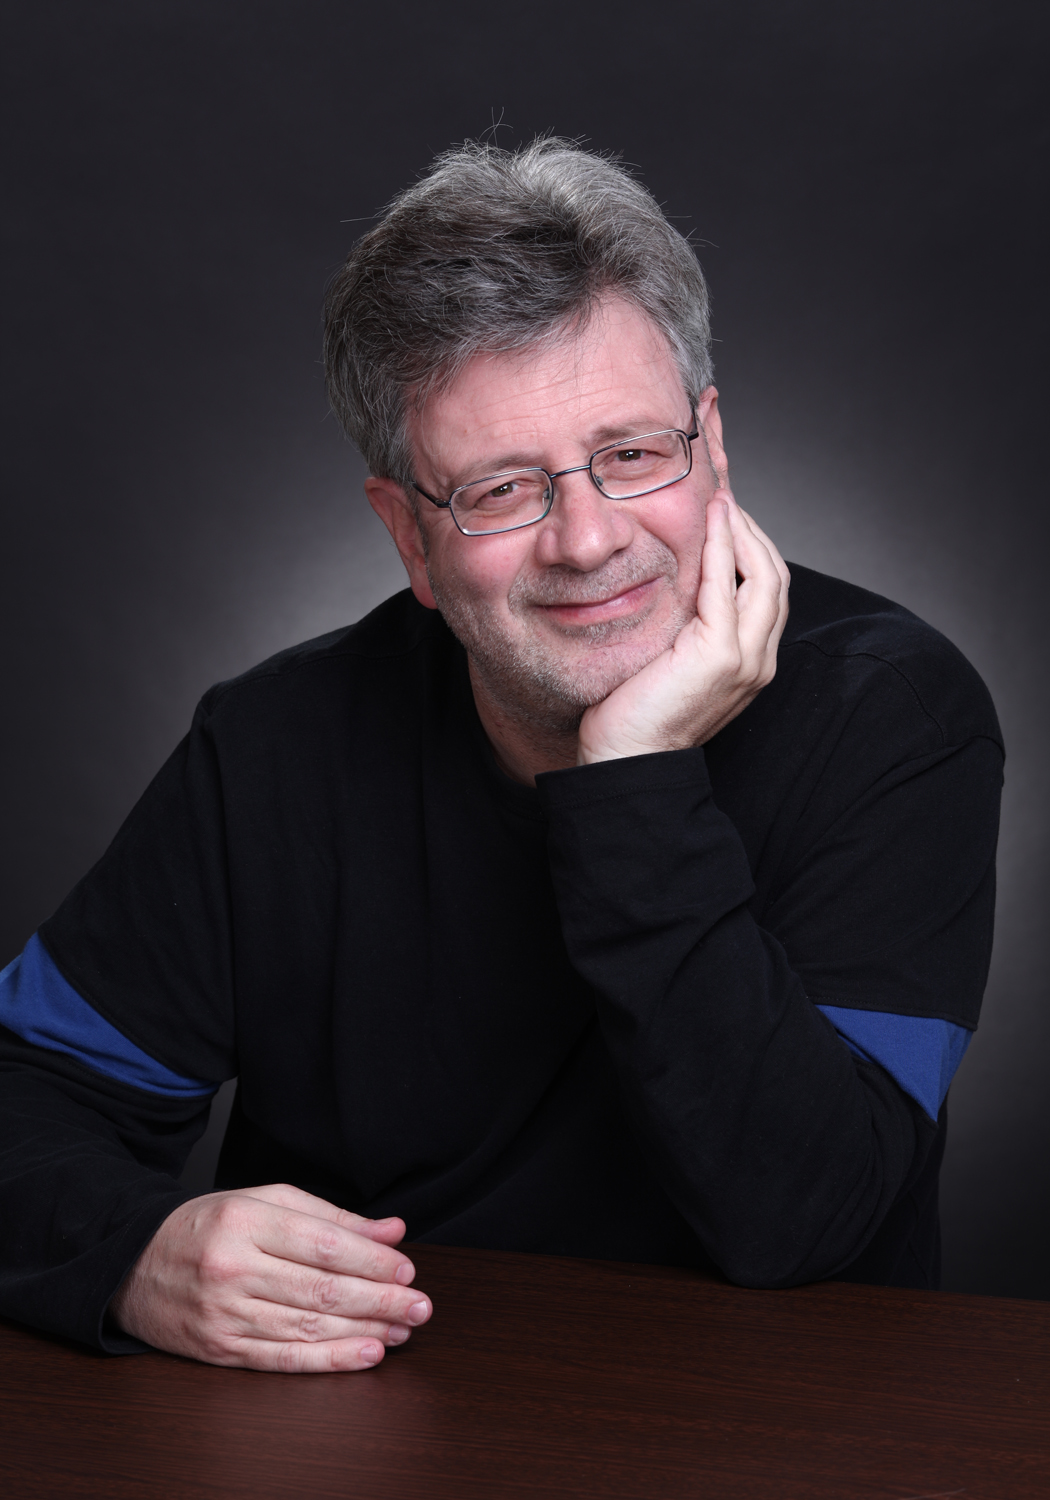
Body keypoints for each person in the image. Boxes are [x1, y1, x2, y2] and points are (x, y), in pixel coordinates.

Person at [0, 138, 1002, 1374]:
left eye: (631, 454)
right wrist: (131, 1249)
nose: (587, 540)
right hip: (356, 1417)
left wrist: (631, 778)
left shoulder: (894, 717)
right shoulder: (273, 747)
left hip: (776, 1424)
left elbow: (805, 1220)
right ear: (407, 538)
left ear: (711, 450)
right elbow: (25, 1092)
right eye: (500, 490)